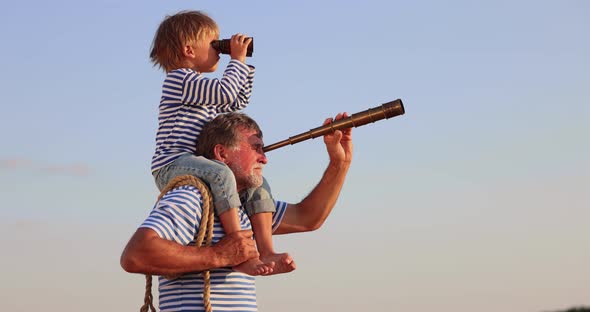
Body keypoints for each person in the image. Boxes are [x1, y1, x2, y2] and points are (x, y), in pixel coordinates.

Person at [121, 112, 353, 311]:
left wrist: (340, 163)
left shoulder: (248, 208)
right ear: (221, 154)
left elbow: (307, 219)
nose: (264, 158)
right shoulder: (192, 197)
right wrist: (219, 255)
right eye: (256, 148)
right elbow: (136, 254)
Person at [148, 10, 281, 275]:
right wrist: (237, 59)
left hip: (196, 164)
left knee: (258, 183)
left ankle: (266, 250)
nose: (219, 51)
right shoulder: (180, 80)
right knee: (221, 172)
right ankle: (239, 248)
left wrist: (244, 66)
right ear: (189, 49)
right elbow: (225, 91)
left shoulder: (199, 87)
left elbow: (237, 101)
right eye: (214, 44)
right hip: (173, 163)